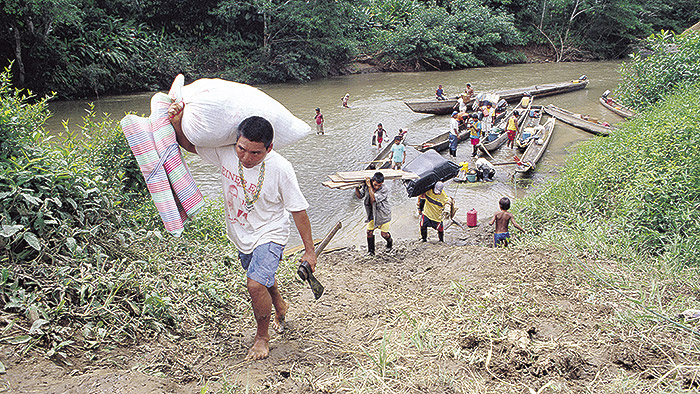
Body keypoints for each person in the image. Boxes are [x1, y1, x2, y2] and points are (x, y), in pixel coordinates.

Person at [167, 104, 317, 361]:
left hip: (271, 231)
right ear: (236, 142)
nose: (247, 157)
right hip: (240, 233)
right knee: (261, 276)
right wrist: (179, 121)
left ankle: (262, 337)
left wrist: (310, 250)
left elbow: (298, 210)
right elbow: (189, 145)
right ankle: (279, 304)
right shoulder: (226, 153)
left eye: (256, 153)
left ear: (269, 148)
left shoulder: (281, 168)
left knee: (255, 284)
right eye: (242, 149)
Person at [354, 172, 392, 255]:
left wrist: (369, 186)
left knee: (384, 234)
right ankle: (371, 251)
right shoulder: (367, 186)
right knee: (369, 232)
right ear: (373, 181)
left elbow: (374, 199)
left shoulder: (384, 189)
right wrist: (356, 188)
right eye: (375, 185)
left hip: (383, 214)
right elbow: (360, 196)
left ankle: (390, 243)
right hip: (372, 214)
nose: (377, 187)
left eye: (379, 185)